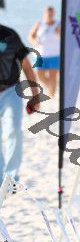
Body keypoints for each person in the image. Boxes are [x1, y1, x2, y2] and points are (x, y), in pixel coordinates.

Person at [0, 23, 41, 187]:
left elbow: (26, 67)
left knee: (14, 130)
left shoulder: (10, 35)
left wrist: (35, 96)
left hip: (10, 91)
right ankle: (0, 180)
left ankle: (10, 179)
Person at [28, 6, 60, 97]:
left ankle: (51, 95)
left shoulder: (58, 24)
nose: (49, 15)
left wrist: (59, 32)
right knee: (39, 75)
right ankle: (50, 88)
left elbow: (64, 37)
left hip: (54, 55)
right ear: (44, 14)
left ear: (54, 14)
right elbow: (30, 35)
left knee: (53, 77)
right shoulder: (39, 24)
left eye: (51, 14)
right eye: (48, 14)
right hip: (40, 55)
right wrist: (34, 41)